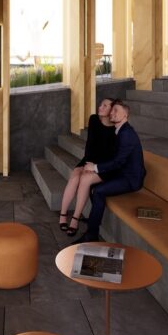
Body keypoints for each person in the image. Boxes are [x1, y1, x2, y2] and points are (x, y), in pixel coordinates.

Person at [74, 101, 146, 243]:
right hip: (121, 172)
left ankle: (91, 234)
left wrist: (95, 167)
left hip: (131, 179)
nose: (112, 113)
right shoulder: (119, 130)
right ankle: (95, 216)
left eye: (116, 111)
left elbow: (118, 161)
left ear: (125, 114)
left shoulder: (126, 134)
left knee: (98, 191)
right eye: (111, 110)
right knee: (92, 184)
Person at [58, 98, 116, 236]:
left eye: (105, 106)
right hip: (89, 159)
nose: (100, 107)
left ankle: (75, 219)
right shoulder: (94, 120)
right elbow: (90, 145)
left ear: (111, 111)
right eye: (101, 104)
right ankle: (63, 214)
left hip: (103, 166)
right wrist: (87, 165)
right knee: (75, 176)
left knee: (83, 178)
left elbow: (111, 156)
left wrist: (94, 167)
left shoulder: (115, 130)